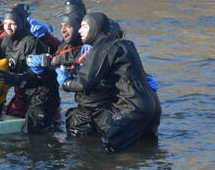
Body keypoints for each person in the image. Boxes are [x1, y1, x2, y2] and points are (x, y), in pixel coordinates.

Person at [60, 12, 161, 152]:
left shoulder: (103, 46)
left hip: (132, 108)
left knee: (110, 150)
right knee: (149, 150)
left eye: (84, 26)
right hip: (152, 105)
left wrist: (65, 83)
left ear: (95, 28)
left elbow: (84, 83)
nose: (79, 30)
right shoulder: (126, 45)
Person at [0, 6, 60, 134]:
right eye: (5, 23)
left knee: (33, 129)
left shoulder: (32, 42)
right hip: (21, 92)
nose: (7, 28)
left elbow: (36, 75)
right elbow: (4, 65)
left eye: (12, 24)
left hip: (41, 92)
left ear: (21, 23)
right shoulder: (5, 41)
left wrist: (14, 78)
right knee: (12, 121)